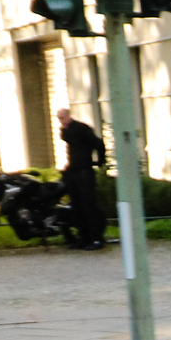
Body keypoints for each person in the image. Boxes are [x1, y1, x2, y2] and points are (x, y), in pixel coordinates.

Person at [56, 107, 106, 250]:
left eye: (62, 118)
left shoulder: (81, 129)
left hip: (84, 170)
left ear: (68, 116)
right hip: (74, 170)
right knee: (77, 205)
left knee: (88, 204)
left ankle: (96, 238)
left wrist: (99, 162)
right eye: (59, 118)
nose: (61, 121)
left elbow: (97, 143)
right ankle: (84, 237)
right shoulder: (66, 131)